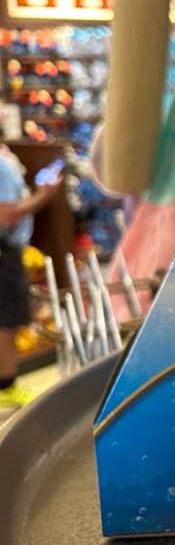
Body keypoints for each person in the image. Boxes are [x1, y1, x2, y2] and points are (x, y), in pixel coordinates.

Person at [0, 145, 61, 408]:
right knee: (6, 322)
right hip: (5, 253)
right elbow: (6, 215)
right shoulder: (2, 167)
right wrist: (43, 195)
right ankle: (6, 386)